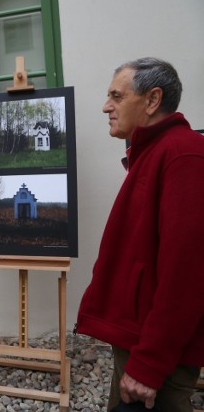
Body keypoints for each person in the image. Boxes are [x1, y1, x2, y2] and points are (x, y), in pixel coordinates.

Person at [76, 57, 204, 411]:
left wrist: (150, 364)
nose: (106, 106)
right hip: (141, 336)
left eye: (117, 96)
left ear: (152, 100)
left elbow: (187, 275)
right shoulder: (152, 152)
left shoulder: (182, 155)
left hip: (158, 349)